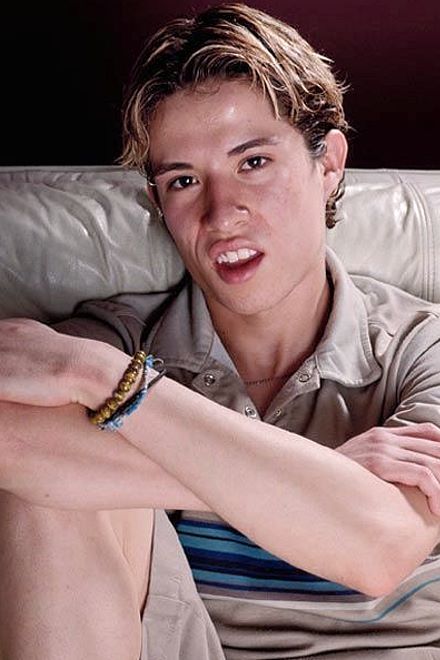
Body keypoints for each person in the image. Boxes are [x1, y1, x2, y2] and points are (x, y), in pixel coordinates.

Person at [1, 3, 440, 659]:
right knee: (47, 491)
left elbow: (380, 547)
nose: (221, 213)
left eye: (253, 162)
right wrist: (315, 480)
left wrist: (117, 395)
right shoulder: (113, 344)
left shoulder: (424, 347)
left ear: (328, 165)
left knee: (93, 442)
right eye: (183, 180)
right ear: (159, 203)